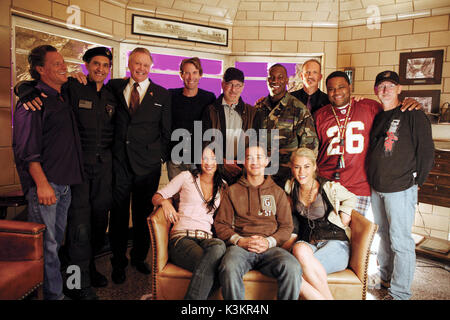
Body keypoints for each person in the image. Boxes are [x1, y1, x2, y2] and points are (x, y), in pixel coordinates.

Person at [14, 47, 117, 299]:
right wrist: (24, 90)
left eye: (105, 65)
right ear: (85, 65)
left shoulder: (113, 93)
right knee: (77, 231)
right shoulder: (71, 87)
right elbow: (36, 87)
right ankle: (74, 283)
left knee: (95, 226)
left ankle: (87, 272)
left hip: (97, 174)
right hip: (75, 173)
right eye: (95, 64)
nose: (100, 69)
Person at [12, 45, 84, 300]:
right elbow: (26, 149)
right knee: (47, 246)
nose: (63, 66)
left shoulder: (61, 95)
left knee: (55, 243)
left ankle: (54, 292)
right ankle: (54, 296)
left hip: (64, 185)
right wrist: (42, 184)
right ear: (40, 70)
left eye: (63, 62)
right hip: (47, 185)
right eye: (56, 64)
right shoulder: (32, 101)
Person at [314, 71, 421, 216]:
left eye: (341, 87)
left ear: (350, 87)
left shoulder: (369, 107)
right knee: (325, 231)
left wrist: (409, 103)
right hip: (327, 183)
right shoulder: (320, 115)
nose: (336, 92)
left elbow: (394, 114)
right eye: (331, 89)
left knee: (355, 233)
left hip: (359, 185)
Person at [367, 71, 434, 300]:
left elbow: (426, 151)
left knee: (401, 241)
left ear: (399, 89)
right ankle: (385, 277)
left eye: (390, 85)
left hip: (401, 188)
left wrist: (418, 182)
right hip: (377, 187)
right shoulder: (378, 115)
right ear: (376, 90)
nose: (385, 90)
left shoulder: (412, 113)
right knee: (383, 236)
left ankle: (400, 293)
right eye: (381, 86)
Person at [108, 47, 172, 284]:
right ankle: (118, 261)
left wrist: (158, 157)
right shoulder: (113, 87)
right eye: (137, 64)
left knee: (144, 213)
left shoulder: (162, 95)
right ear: (129, 63)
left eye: (146, 65)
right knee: (118, 216)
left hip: (148, 166)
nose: (141, 69)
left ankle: (138, 257)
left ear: (151, 66)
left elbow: (167, 132)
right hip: (120, 163)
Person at [214, 144, 301, 300]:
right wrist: (240, 241)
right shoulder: (232, 191)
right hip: (240, 248)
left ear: (266, 161)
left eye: (259, 157)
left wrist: (269, 242)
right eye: (249, 158)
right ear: (244, 162)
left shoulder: (277, 192)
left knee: (292, 266)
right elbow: (221, 224)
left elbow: (287, 226)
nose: (255, 162)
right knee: (229, 266)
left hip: (270, 249)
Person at [151, 146, 226, 299]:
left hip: (206, 239)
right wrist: (165, 203)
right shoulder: (186, 177)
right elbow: (156, 196)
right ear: (198, 160)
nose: (209, 162)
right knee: (213, 268)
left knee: (219, 246)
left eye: (213, 158)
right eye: (204, 158)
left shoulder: (223, 186)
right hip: (182, 238)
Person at [285, 148, 356, 300]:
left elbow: (351, 197)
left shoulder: (329, 188)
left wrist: (345, 213)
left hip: (336, 243)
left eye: (306, 166)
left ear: (314, 167)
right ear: (292, 168)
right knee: (298, 248)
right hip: (310, 244)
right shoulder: (290, 187)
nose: (301, 172)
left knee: (293, 274)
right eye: (297, 167)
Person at [255, 63, 319, 188]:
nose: (275, 81)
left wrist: (302, 177)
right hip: (260, 176)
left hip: (287, 179)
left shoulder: (298, 109)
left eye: (280, 77)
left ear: (286, 80)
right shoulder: (259, 108)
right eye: (272, 77)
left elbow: (309, 148)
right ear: (268, 80)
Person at [202, 67, 260, 185]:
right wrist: (222, 163)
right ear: (223, 85)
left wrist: (241, 165)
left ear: (243, 87)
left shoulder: (253, 113)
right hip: (215, 171)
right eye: (230, 84)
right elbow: (204, 143)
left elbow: (256, 144)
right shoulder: (210, 110)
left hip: (243, 172)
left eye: (238, 85)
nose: (233, 89)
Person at [168, 57, 216, 180]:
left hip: (198, 157)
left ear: (200, 74)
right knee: (176, 196)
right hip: (175, 157)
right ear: (181, 75)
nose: (191, 77)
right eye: (187, 73)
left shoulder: (208, 98)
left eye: (194, 72)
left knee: (197, 196)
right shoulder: (171, 95)